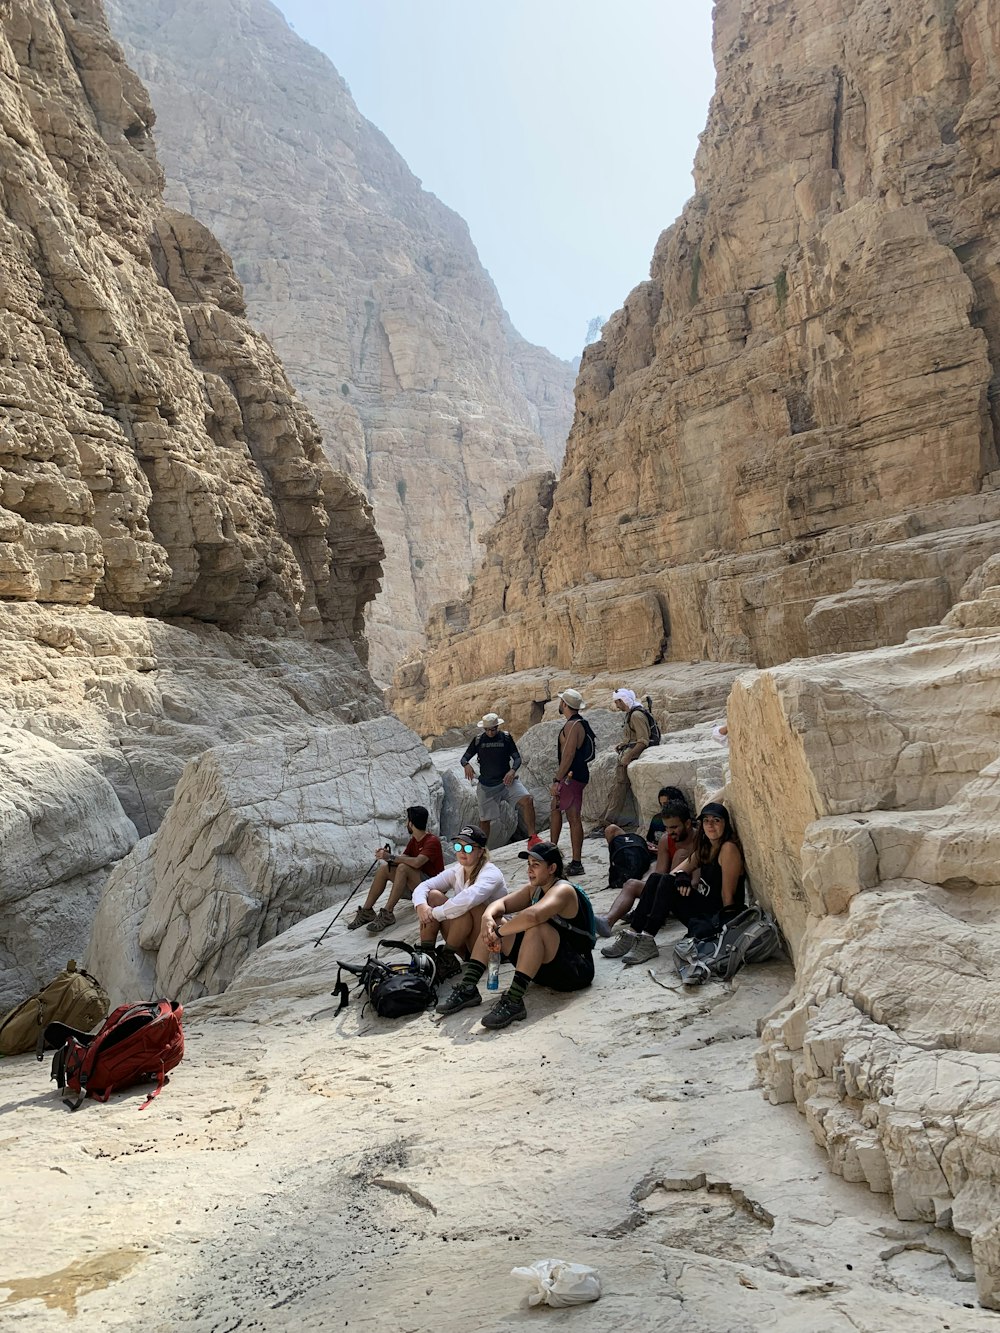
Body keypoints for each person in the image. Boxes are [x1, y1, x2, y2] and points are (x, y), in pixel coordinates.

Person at [435, 841, 595, 1029]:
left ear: (552, 868)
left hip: (575, 971)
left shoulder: (563, 890)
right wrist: (488, 917)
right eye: (528, 865)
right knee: (494, 922)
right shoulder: (534, 889)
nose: (530, 870)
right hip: (545, 969)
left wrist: (498, 933)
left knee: (537, 927)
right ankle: (469, 987)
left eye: (536, 865)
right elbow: (502, 904)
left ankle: (514, 1000)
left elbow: (533, 915)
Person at [606, 801, 746, 966]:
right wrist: (681, 878)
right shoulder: (707, 847)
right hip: (704, 909)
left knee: (665, 881)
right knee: (657, 878)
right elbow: (676, 872)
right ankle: (633, 932)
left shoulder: (728, 849)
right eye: (707, 821)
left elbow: (727, 896)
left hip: (718, 916)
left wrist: (727, 932)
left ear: (725, 824)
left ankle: (648, 938)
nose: (711, 825)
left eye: (716, 820)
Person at [597, 798, 697, 938]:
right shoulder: (666, 840)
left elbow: (697, 881)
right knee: (631, 884)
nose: (670, 832)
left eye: (674, 827)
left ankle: (647, 920)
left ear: (687, 824)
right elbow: (659, 876)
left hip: (688, 893)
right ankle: (608, 921)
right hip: (668, 888)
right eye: (667, 828)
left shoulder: (699, 841)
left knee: (681, 855)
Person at [411, 825, 507, 957]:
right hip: (466, 939)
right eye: (458, 847)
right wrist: (421, 906)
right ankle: (426, 955)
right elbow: (423, 886)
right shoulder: (457, 871)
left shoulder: (491, 873)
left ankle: (447, 956)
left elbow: (469, 899)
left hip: (491, 940)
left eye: (468, 848)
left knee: (470, 906)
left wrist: (434, 913)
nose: (462, 852)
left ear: (480, 852)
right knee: (433, 896)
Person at [347, 806, 445, 933]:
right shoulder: (414, 841)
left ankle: (387, 912)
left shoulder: (432, 841)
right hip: (418, 886)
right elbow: (401, 859)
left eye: (407, 821)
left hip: (433, 890)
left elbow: (416, 862)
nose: (406, 824)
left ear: (411, 823)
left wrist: (391, 857)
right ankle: (367, 911)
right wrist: (387, 858)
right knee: (384, 869)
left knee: (404, 868)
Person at [460, 712, 540, 848]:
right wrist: (466, 765)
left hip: (507, 782)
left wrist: (512, 770)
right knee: (484, 821)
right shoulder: (478, 740)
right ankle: (481, 849)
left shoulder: (506, 738)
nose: (490, 732)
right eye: (487, 730)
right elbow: (464, 758)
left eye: (493, 729)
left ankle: (533, 838)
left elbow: (517, 758)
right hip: (487, 786)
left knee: (528, 800)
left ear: (498, 727)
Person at [549, 688, 595, 878]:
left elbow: (568, 755)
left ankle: (574, 862)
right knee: (556, 808)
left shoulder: (572, 726)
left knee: (573, 817)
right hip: (577, 775)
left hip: (571, 777)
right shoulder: (580, 723)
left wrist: (556, 780)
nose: (560, 704)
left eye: (561, 702)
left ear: (565, 705)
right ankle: (552, 853)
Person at [595, 688, 653, 828]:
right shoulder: (631, 713)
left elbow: (643, 741)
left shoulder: (636, 716)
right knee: (615, 790)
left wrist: (628, 755)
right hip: (629, 753)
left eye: (617, 702)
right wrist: (624, 744)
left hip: (633, 756)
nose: (616, 705)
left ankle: (609, 822)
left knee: (619, 791)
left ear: (622, 700)